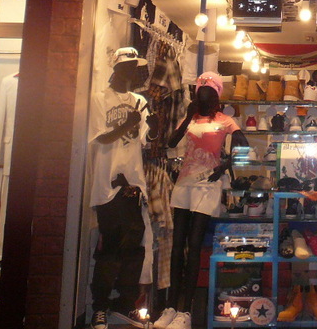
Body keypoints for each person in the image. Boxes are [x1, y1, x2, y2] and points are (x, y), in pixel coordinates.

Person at [153, 72, 247, 329]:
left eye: (208, 90)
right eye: (200, 90)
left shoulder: (225, 120)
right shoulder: (191, 118)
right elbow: (171, 142)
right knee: (177, 246)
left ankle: (186, 311)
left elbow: (244, 147)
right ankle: (170, 307)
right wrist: (187, 117)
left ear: (216, 95)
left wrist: (225, 165)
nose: (203, 94)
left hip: (207, 185)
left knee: (194, 245)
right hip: (184, 183)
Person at [88, 48, 151, 329]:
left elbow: (145, 139)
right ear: (115, 68)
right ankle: (99, 308)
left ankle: (125, 304)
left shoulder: (140, 101)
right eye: (127, 66)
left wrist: (154, 127)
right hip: (107, 185)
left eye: (134, 66)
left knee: (134, 250)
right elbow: (101, 138)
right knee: (110, 249)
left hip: (133, 184)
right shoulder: (99, 98)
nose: (132, 71)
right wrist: (127, 123)